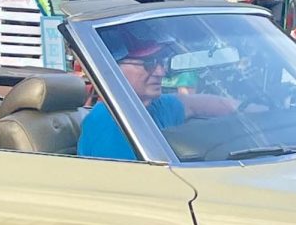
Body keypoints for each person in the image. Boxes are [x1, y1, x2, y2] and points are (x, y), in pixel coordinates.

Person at [78, 28, 238, 160]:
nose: (160, 72)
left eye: (161, 61)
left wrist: (250, 111)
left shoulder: (153, 106)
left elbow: (194, 105)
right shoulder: (109, 123)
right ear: (113, 69)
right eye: (149, 63)